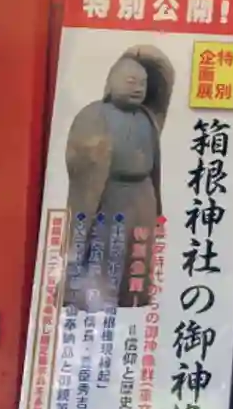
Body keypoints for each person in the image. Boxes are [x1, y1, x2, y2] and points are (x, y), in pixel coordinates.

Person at [61, 45, 174, 312]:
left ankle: (133, 296)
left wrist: (144, 56)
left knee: (139, 248)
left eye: (143, 84)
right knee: (106, 245)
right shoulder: (94, 114)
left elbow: (164, 80)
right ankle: (92, 297)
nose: (138, 89)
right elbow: (82, 158)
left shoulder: (148, 117)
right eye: (131, 81)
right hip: (110, 192)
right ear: (111, 83)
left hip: (142, 192)